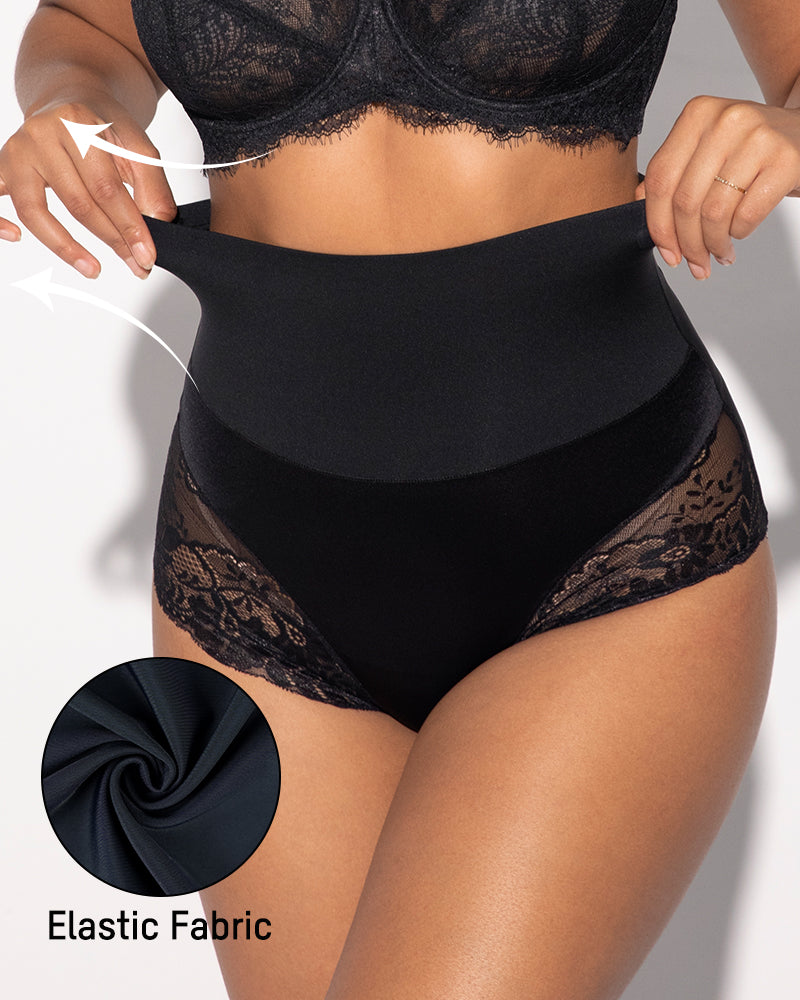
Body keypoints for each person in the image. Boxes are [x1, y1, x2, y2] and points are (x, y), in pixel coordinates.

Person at [2, 1, 790, 997]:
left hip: (611, 537)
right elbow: (88, 24)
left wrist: (786, 132)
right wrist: (71, 98)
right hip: (250, 559)